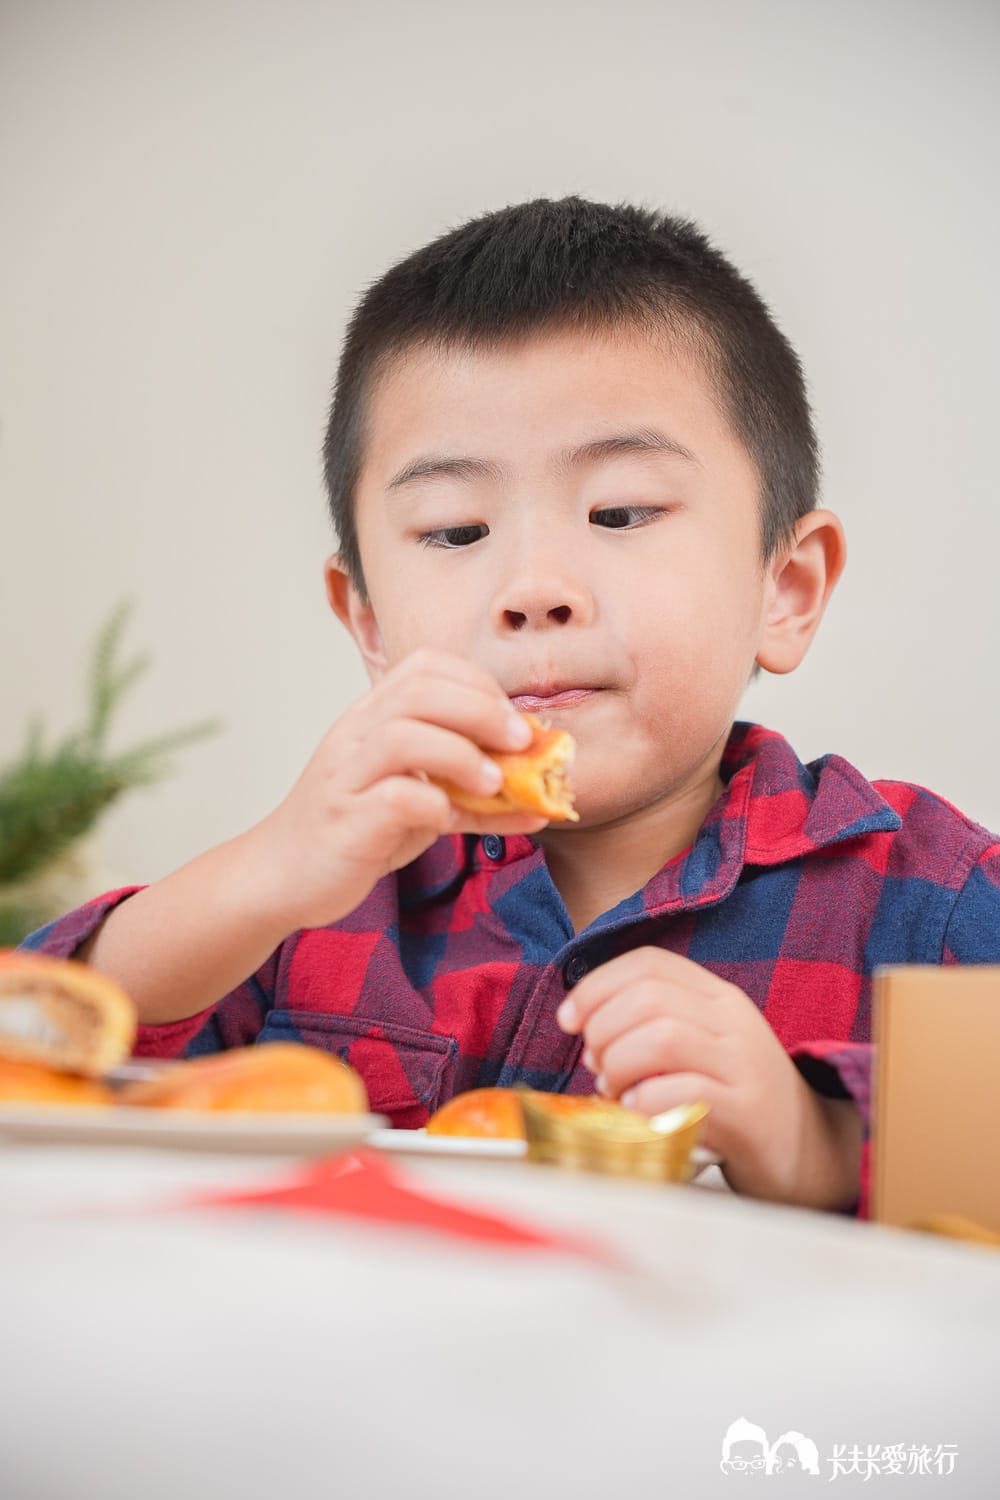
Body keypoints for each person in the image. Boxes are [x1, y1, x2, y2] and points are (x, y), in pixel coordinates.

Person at [23, 196, 1000, 1215]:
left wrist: (818, 1139)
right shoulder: (309, 906)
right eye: (456, 532)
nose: (534, 588)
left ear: (783, 590)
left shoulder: (928, 898)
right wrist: (265, 874)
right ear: (369, 623)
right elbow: (44, 1054)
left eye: (620, 511)